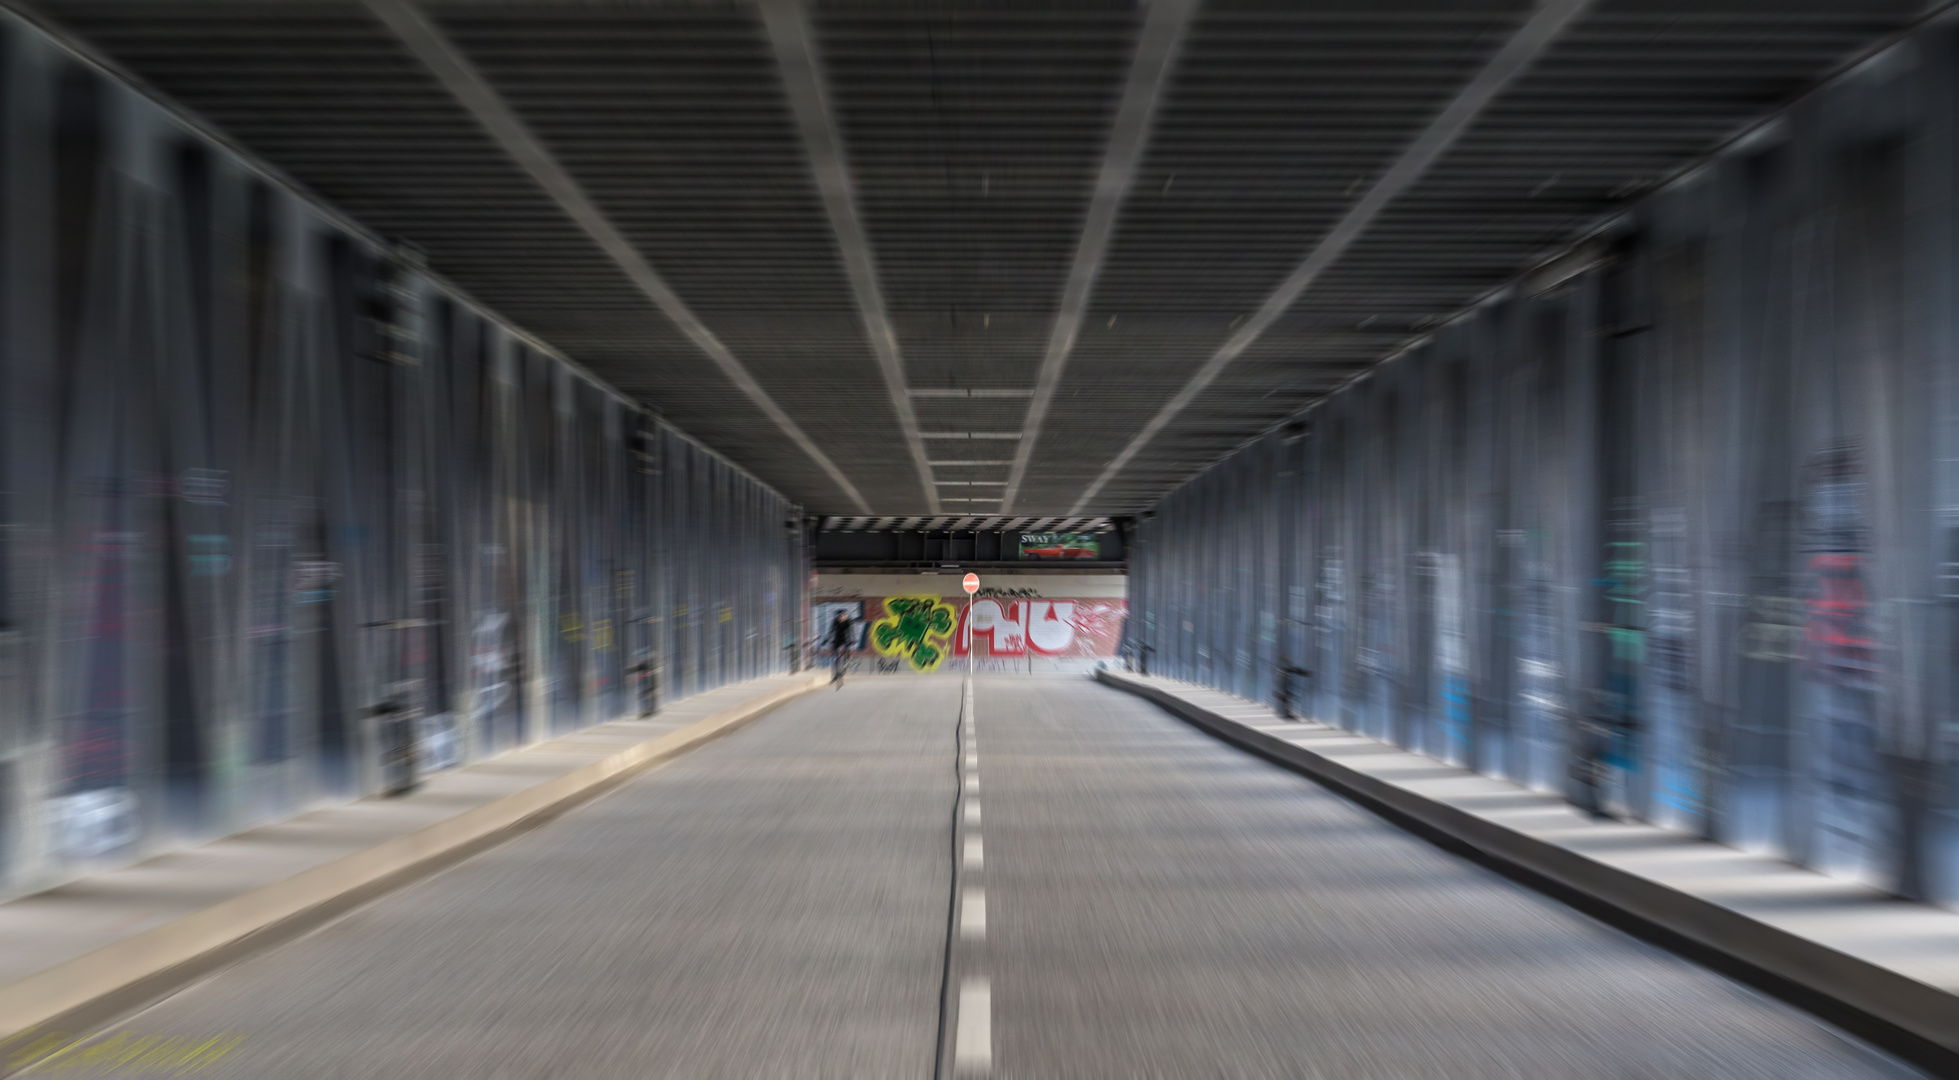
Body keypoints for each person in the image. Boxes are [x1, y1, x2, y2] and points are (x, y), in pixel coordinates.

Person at [825, 609, 854, 688]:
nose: (841, 618)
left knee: (847, 649)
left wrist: (852, 639)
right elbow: (831, 631)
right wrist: (827, 639)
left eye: (843, 617)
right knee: (835, 656)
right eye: (839, 617)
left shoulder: (848, 621)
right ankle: (835, 674)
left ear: (845, 616)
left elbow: (851, 631)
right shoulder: (835, 622)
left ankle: (846, 662)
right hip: (837, 639)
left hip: (846, 639)